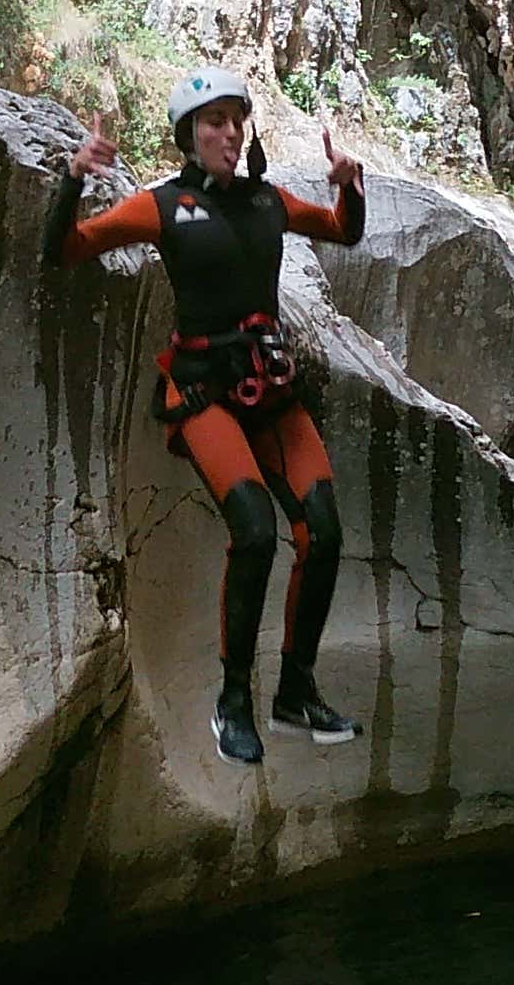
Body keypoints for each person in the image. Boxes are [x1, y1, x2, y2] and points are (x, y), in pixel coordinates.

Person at [45, 67, 368, 766]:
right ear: (189, 137)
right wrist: (73, 175)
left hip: (272, 394)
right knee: (255, 531)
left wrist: (348, 181)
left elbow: (344, 230)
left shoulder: (269, 201)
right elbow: (65, 249)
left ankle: (295, 692)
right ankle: (232, 700)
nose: (227, 132)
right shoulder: (164, 205)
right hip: (202, 397)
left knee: (326, 531)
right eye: (211, 121)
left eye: (234, 120)